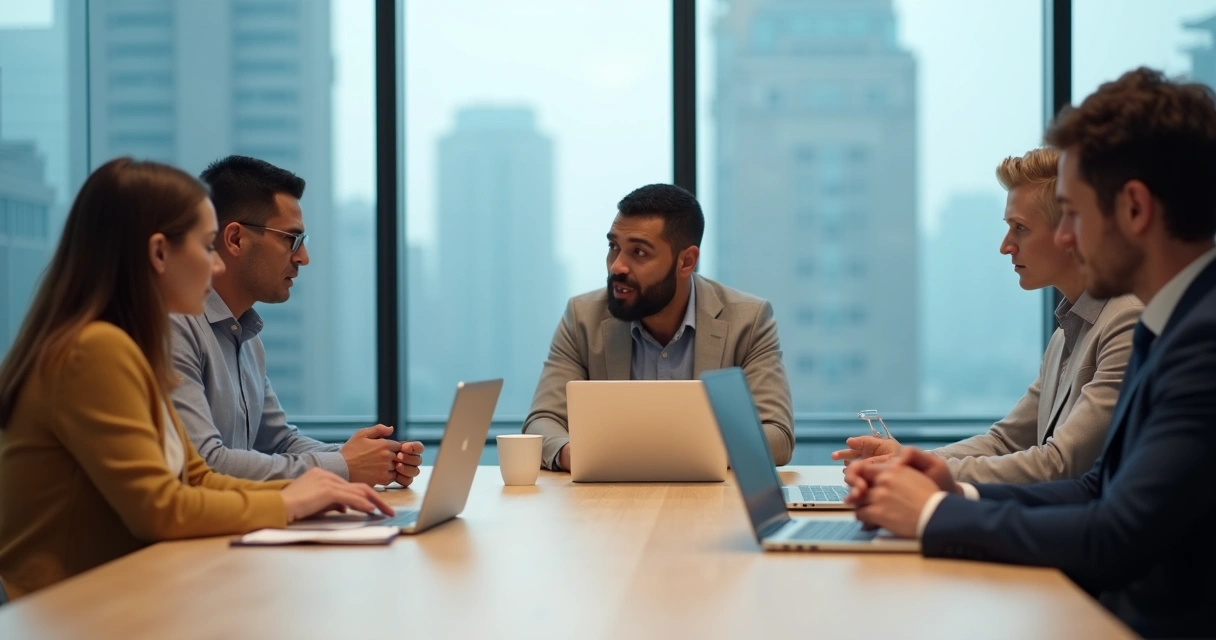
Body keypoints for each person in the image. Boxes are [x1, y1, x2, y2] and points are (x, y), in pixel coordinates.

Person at [844, 67, 1216, 638]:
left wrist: (933, 512)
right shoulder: (1167, 322)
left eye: (1074, 214)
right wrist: (952, 489)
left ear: (1135, 209)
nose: (1065, 236)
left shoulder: (1200, 339)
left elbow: (1114, 534)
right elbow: (1096, 488)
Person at [0, 158, 392, 599]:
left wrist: (320, 489)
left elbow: (198, 477)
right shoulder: (94, 349)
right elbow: (160, 508)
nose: (217, 267)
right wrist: (291, 498)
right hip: (63, 610)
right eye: (207, 247)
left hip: (114, 596)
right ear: (159, 254)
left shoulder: (130, 345)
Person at [832, 148, 1141, 483]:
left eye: (1020, 228)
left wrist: (919, 470)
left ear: (1071, 233)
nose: (1005, 246)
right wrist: (908, 459)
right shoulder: (1064, 336)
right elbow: (1004, 442)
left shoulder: (1125, 322)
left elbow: (1060, 464)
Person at [170, 155, 422, 486]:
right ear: (235, 239)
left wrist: (375, 458)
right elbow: (205, 464)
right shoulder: (175, 326)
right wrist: (345, 465)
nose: (303, 257)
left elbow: (279, 443)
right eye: (292, 239)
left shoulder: (246, 337)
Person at [523, 183, 794, 470]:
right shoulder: (583, 318)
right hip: (608, 495)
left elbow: (776, 435)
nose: (617, 266)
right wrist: (575, 454)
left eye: (639, 252)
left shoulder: (748, 320)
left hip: (710, 496)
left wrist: (663, 454)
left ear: (686, 262)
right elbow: (542, 421)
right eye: (614, 247)